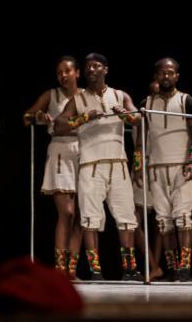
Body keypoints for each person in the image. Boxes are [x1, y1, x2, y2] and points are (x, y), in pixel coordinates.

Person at [54, 53, 143, 281]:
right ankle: (95, 270)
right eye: (88, 67)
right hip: (91, 165)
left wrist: (127, 116)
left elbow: (139, 119)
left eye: (96, 66)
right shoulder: (78, 100)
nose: (91, 70)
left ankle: (129, 269)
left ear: (105, 69)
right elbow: (59, 125)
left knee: (126, 218)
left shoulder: (120, 95)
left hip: (118, 164)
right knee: (90, 220)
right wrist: (83, 118)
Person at [136, 58, 192, 281]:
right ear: (157, 75)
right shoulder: (146, 103)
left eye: (170, 72)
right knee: (164, 220)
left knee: (183, 217)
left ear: (177, 76)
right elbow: (140, 139)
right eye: (162, 72)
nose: (166, 76)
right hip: (156, 166)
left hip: (181, 166)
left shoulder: (187, 101)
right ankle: (173, 268)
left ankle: (185, 268)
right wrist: (138, 166)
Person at [23, 56, 84, 279]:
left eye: (67, 71)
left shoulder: (86, 95)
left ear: (77, 72)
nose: (63, 75)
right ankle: (59, 269)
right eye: (59, 72)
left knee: (81, 215)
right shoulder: (51, 95)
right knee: (66, 212)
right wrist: (39, 116)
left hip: (84, 151)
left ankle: (72, 270)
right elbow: (27, 116)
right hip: (60, 151)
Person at [131, 80, 163, 280]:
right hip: (142, 165)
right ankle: (151, 264)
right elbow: (138, 144)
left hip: (161, 165)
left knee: (162, 220)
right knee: (134, 220)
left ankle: (156, 267)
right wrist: (137, 167)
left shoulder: (167, 115)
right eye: (152, 93)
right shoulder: (141, 112)